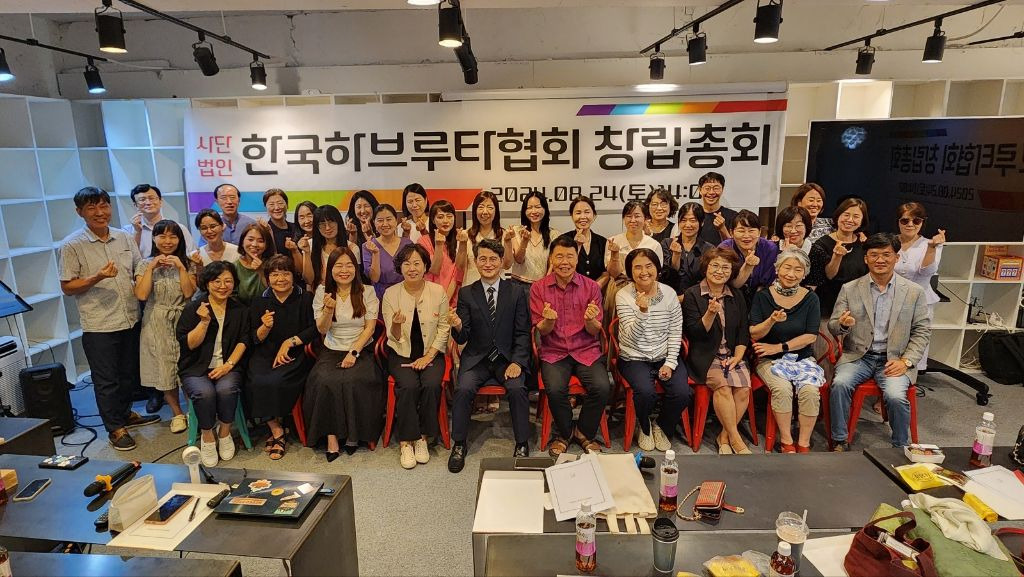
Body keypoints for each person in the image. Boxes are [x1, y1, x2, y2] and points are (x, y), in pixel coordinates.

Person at [60, 187, 159, 451]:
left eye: (103, 205)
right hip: (99, 324)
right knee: (107, 380)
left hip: (130, 317)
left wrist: (143, 276)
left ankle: (125, 414)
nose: (99, 212)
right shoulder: (72, 245)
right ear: (79, 212)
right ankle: (115, 428)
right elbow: (67, 286)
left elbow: (138, 264)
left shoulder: (123, 237)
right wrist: (97, 277)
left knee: (128, 374)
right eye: (91, 207)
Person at [828, 233, 931, 450]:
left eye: (886, 254)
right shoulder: (850, 288)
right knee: (840, 384)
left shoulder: (914, 292)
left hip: (894, 359)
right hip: (858, 356)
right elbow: (833, 326)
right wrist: (843, 325)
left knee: (895, 396)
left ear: (896, 257)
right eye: (874, 255)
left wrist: (906, 361)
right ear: (866, 259)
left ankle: (900, 447)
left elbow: (922, 331)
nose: (880, 260)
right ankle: (839, 440)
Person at [447, 239, 532, 473]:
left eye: (493, 259)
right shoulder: (467, 293)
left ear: (502, 262)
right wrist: (457, 325)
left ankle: (522, 443)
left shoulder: (516, 292)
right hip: (477, 359)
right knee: (463, 389)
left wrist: (517, 362)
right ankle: (459, 444)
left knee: (517, 388)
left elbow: (523, 332)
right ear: (476, 261)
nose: (488, 264)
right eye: (482, 259)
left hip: (507, 360)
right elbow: (463, 337)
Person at [531, 236, 611, 456]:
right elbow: (542, 331)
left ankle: (583, 432)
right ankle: (564, 433)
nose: (564, 262)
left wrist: (590, 320)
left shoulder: (591, 287)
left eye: (569, 256)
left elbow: (595, 331)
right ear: (551, 259)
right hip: (554, 351)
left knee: (602, 387)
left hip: (586, 349)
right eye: (559, 256)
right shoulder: (539, 288)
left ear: (577, 259)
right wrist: (548, 321)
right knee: (555, 389)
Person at [305, 247, 382, 461]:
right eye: (339, 265)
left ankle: (353, 435)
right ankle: (331, 437)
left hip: (360, 347)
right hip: (331, 348)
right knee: (323, 380)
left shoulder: (367, 291)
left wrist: (353, 352)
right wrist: (328, 310)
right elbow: (321, 329)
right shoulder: (322, 292)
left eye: (349, 265)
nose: (344, 270)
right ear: (330, 269)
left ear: (356, 269)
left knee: (354, 380)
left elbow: (370, 328)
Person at [175, 261, 250, 467]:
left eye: (228, 281)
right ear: (207, 283)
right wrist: (204, 322)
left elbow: (244, 340)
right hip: (196, 367)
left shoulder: (239, 309)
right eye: (217, 281)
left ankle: (224, 432)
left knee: (227, 389)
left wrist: (228, 365)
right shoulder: (194, 308)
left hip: (229, 366)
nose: (223, 286)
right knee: (204, 393)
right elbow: (189, 344)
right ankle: (207, 436)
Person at [382, 244, 450, 469]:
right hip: (401, 352)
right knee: (409, 385)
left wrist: (429, 356)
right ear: (400, 267)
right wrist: (396, 324)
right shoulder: (391, 294)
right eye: (407, 263)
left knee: (431, 384)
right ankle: (405, 441)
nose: (412, 268)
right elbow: (393, 336)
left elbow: (444, 328)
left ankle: (422, 437)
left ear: (425, 266)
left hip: (431, 352)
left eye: (417, 263)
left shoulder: (438, 291)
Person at [749, 249, 823, 453]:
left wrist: (780, 346)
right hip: (769, 360)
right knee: (782, 389)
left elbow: (811, 336)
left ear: (804, 274)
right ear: (777, 269)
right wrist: (771, 321)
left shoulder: (811, 299)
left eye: (798, 270)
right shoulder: (762, 296)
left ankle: (804, 443)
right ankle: (787, 440)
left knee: (810, 391)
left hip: (802, 359)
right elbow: (754, 333)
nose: (791, 274)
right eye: (787, 268)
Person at [615, 248, 688, 452]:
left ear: (657, 267)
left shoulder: (669, 293)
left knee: (682, 393)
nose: (644, 272)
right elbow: (631, 336)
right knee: (645, 392)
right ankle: (644, 425)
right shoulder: (623, 295)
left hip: (664, 355)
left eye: (649, 266)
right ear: (630, 271)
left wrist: (670, 363)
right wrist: (642, 312)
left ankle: (661, 426)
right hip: (633, 356)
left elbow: (675, 331)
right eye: (637, 267)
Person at [682, 248, 752, 455]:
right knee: (723, 387)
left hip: (732, 354)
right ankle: (737, 440)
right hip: (705, 355)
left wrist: (737, 357)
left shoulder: (736, 295)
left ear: (731, 272)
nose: (719, 271)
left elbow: (743, 331)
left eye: (725, 268)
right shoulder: (693, 294)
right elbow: (695, 333)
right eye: (715, 266)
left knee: (743, 388)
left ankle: (724, 437)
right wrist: (710, 314)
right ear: (705, 268)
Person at [247, 255, 316, 461]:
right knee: (253, 379)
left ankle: (281, 427)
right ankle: (276, 428)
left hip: (295, 353)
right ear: (267, 278)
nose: (281, 279)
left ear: (293, 276)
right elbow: (254, 337)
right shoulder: (260, 301)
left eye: (285, 273)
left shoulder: (305, 298)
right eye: (275, 275)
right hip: (265, 353)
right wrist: (265, 327)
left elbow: (314, 329)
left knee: (277, 380)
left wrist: (291, 342)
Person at [134, 220, 196, 434]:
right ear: (154, 239)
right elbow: (142, 294)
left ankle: (193, 411)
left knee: (187, 365)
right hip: (156, 320)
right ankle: (177, 413)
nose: (167, 241)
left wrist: (181, 267)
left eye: (173, 236)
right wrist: (152, 267)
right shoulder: (144, 264)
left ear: (180, 239)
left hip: (183, 318)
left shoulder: (188, 263)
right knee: (164, 368)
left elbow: (188, 293)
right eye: (162, 236)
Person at [894, 202, 945, 372]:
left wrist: (931, 248)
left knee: (916, 340)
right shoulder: (890, 242)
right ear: (898, 222)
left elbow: (927, 271)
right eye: (905, 220)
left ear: (922, 222)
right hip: (891, 298)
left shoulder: (930, 244)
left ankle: (911, 378)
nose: (910, 225)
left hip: (920, 300)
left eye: (916, 221)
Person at [808, 197, 870, 318]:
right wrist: (837, 256)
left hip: (856, 308)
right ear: (838, 216)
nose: (850, 220)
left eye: (856, 216)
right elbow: (830, 275)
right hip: (828, 309)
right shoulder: (821, 244)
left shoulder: (864, 244)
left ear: (862, 221)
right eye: (846, 215)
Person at [720, 210, 779, 304]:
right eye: (741, 231)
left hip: (761, 297)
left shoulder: (770, 249)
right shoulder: (725, 248)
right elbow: (731, 284)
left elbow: (767, 283)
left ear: (759, 232)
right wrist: (748, 267)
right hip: (730, 297)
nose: (746, 236)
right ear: (731, 233)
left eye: (751, 230)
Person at [660, 202, 714, 301]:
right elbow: (668, 276)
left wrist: (687, 297)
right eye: (683, 220)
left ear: (701, 222)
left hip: (697, 299)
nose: (688, 225)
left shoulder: (708, 249)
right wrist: (676, 255)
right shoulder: (667, 243)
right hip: (669, 299)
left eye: (693, 220)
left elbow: (709, 279)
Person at [125, 184, 196, 258]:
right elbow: (128, 259)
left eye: (151, 198)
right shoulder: (127, 231)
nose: (148, 203)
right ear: (135, 205)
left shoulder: (179, 228)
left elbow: (191, 255)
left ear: (160, 201)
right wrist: (137, 232)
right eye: (142, 200)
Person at [418, 200, 467, 306]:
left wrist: (445, 302)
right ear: (433, 220)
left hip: (453, 301)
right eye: (440, 217)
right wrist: (439, 245)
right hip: (430, 299)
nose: (445, 221)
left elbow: (458, 274)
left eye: (449, 216)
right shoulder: (423, 241)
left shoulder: (460, 238)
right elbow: (434, 270)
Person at [506, 190, 559, 286]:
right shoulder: (516, 231)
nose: (534, 211)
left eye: (538, 207)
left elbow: (552, 263)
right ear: (524, 211)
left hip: (542, 285)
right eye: (529, 208)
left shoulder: (554, 235)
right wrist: (524, 241)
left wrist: (545, 284)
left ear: (545, 209)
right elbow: (519, 259)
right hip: (518, 285)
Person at [363, 204, 412, 302]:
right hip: (380, 297)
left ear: (396, 221)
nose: (385, 224)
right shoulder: (368, 246)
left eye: (389, 219)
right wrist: (376, 253)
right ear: (374, 223)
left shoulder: (407, 243)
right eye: (380, 220)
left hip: (406, 294)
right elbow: (374, 278)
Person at [556, 196, 607, 286]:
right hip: (569, 289)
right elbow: (560, 269)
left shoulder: (602, 241)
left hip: (596, 290)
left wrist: (594, 288)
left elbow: (605, 273)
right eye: (578, 213)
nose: (583, 217)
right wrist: (577, 245)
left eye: (587, 212)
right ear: (572, 216)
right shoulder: (562, 240)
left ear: (594, 215)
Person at [606, 200, 662, 280]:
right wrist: (615, 255)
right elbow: (613, 274)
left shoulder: (654, 245)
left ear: (645, 219)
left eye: (637, 216)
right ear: (623, 218)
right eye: (629, 216)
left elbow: (655, 274)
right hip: (619, 285)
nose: (632, 220)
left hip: (645, 285)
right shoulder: (613, 241)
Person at [463, 191, 505, 286]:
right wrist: (462, 244)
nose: (485, 212)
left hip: (498, 289)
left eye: (490, 207)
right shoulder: (465, 235)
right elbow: (460, 266)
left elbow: (507, 265)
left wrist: (508, 242)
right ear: (475, 210)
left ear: (496, 211)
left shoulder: (505, 235)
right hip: (472, 288)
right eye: (481, 207)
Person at [304, 204, 347, 288]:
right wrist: (306, 252)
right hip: (318, 293)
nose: (327, 228)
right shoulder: (309, 245)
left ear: (338, 222)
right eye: (322, 224)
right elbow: (309, 280)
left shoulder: (352, 247)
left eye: (331, 222)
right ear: (317, 227)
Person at [234, 222, 274, 306]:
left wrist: (261, 271)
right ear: (242, 242)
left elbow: (275, 292)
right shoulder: (234, 267)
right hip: (242, 311)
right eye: (250, 239)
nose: (254, 244)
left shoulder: (273, 264)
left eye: (260, 241)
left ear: (266, 245)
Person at [696, 172, 737, 245]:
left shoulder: (733, 216)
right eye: (707, 188)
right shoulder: (694, 215)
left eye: (716, 188)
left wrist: (722, 229)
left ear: (722, 189)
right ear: (700, 190)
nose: (711, 192)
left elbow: (735, 246)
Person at [287, 200, 316, 286]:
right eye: (302, 217)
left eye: (310, 215)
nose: (307, 221)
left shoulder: (326, 237)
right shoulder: (295, 241)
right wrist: (295, 250)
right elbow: (301, 271)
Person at [262, 188, 298, 256]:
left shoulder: (296, 228)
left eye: (280, 203)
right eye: (271, 204)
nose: (277, 208)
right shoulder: (264, 230)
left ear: (287, 205)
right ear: (266, 208)